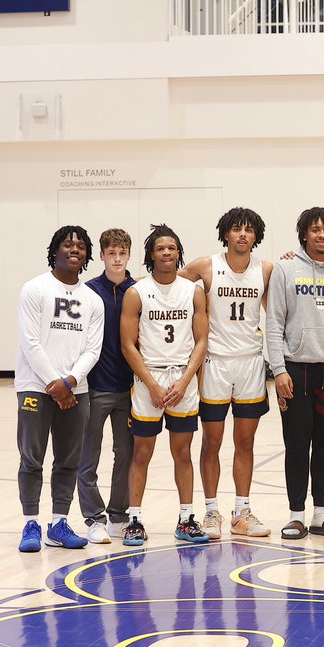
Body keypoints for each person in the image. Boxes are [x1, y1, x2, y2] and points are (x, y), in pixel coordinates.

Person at [267, 207, 324, 540]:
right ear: (304, 234)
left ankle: (321, 514)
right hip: (295, 369)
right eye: (315, 229)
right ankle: (296, 515)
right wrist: (278, 369)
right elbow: (274, 323)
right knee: (296, 446)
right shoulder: (285, 269)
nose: (322, 235)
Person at [181, 207, 273, 540]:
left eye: (249, 229)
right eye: (236, 229)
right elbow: (169, 288)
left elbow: (277, 313)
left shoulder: (265, 270)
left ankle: (241, 512)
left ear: (256, 235)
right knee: (212, 441)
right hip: (214, 363)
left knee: (245, 442)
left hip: (250, 363)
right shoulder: (206, 266)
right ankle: (210, 512)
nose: (243, 234)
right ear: (226, 233)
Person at [16, 226, 105, 553]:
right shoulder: (34, 288)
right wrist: (56, 384)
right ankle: (30, 523)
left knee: (68, 461)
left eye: (81, 246)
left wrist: (69, 383)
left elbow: (92, 350)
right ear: (55, 250)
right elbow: (30, 342)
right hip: (35, 387)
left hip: (75, 390)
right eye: (68, 244)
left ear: (87, 255)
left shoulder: (93, 300)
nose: (74, 250)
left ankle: (58, 523)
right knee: (32, 459)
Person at [120, 225, 210, 546]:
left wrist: (185, 381)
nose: (167, 252)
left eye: (172, 248)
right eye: (160, 248)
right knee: (141, 452)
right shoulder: (137, 293)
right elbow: (128, 345)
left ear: (179, 252)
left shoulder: (193, 291)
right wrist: (152, 385)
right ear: (151, 254)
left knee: (182, 452)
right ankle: (134, 521)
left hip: (182, 380)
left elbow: (202, 341)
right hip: (149, 379)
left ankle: (186, 519)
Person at [75, 228, 136, 544]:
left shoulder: (138, 291)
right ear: (101, 255)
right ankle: (94, 518)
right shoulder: (88, 292)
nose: (117, 258)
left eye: (122, 253)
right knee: (88, 456)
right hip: (94, 387)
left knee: (126, 454)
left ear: (129, 255)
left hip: (128, 389)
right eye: (111, 253)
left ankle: (119, 516)